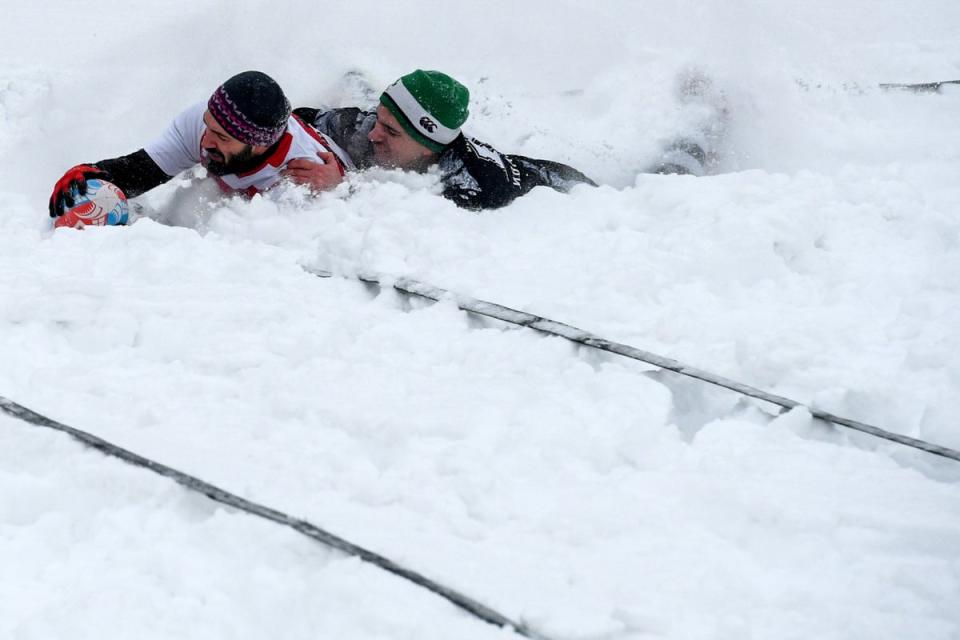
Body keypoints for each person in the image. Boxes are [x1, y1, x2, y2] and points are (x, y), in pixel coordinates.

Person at [49, 70, 353, 221]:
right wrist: (96, 172)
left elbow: (370, 205)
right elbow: (147, 169)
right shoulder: (205, 122)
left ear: (258, 145)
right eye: (209, 127)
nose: (205, 142)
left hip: (340, 141)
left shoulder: (301, 173)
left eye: (222, 138)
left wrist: (341, 184)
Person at [290, 70, 597, 210]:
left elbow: (405, 217)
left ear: (428, 147)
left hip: (555, 179)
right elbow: (295, 120)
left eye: (392, 132)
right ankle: (359, 81)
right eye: (380, 119)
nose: (374, 135)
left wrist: (342, 186)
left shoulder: (474, 185)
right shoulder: (365, 127)